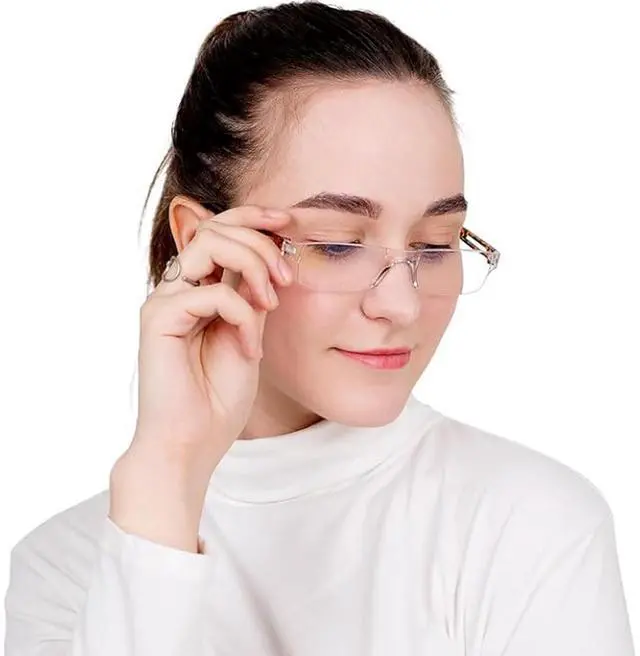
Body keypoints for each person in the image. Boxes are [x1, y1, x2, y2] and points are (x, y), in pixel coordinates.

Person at [4, 2, 635, 654]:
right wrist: (165, 479)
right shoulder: (67, 571)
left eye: (434, 244)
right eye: (337, 244)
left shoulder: (531, 525)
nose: (401, 305)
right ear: (203, 244)